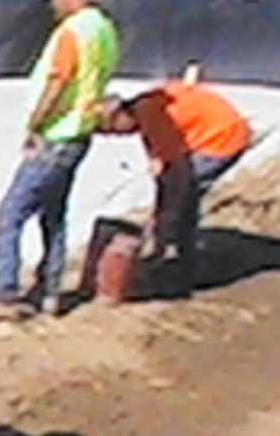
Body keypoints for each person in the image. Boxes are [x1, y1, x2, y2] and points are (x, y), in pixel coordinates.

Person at [0, 0, 121, 318]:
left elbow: (59, 81)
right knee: (54, 215)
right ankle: (49, 293)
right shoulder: (104, 30)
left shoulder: (73, 32)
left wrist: (35, 124)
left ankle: (5, 293)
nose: (53, 7)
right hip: (80, 135)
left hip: (56, 135)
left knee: (10, 214)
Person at [99, 77, 252, 298]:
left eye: (115, 130)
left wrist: (163, 218)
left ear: (121, 115)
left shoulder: (153, 117)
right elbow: (162, 162)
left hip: (223, 138)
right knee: (177, 201)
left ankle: (180, 271)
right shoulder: (147, 107)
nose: (121, 136)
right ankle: (174, 258)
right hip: (219, 128)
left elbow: (176, 174)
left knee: (184, 200)